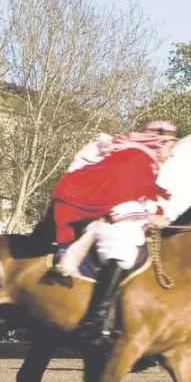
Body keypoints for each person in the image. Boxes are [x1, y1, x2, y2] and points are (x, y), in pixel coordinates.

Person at [50, 130, 176, 346]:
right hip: (102, 218)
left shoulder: (147, 162)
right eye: (171, 147)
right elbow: (117, 203)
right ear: (159, 144)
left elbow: (143, 196)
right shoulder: (136, 159)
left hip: (118, 218)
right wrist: (150, 215)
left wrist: (158, 213)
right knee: (122, 253)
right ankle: (94, 321)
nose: (172, 154)